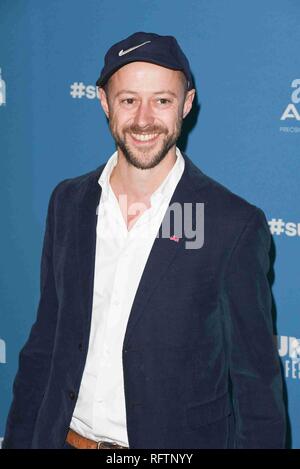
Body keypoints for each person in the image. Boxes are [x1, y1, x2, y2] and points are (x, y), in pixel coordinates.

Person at [3, 31, 286, 449]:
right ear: (103, 101)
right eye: (129, 100)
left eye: (162, 100)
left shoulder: (229, 224)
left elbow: (256, 387)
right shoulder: (70, 203)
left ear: (187, 104)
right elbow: (45, 345)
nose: (144, 119)